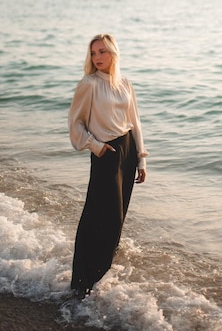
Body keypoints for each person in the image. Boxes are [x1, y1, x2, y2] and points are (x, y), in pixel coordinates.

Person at [68, 33, 148, 298]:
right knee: (99, 216)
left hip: (126, 151)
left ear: (114, 52)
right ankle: (83, 279)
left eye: (102, 52)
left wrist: (141, 158)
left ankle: (94, 278)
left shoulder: (125, 84)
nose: (97, 57)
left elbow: (135, 122)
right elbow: (75, 124)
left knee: (118, 218)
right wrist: (95, 146)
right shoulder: (89, 84)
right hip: (106, 152)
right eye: (93, 53)